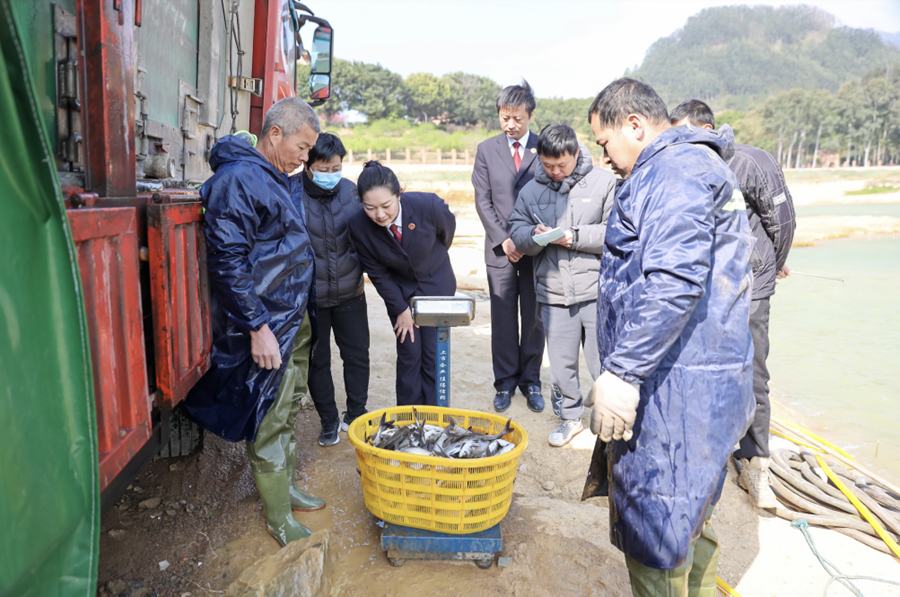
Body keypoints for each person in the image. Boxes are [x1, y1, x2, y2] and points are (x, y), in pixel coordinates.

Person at [586, 78, 755, 595]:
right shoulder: (690, 166)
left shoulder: (674, 171)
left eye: (605, 143)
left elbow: (674, 281)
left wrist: (623, 373)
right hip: (694, 379)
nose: (605, 158)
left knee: (659, 533)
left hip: (677, 389)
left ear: (634, 124)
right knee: (688, 521)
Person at [184, 97, 326, 547]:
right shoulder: (239, 178)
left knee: (287, 405)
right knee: (268, 410)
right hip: (268, 321)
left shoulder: (271, 176)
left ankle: (284, 487)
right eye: (302, 147)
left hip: (291, 316)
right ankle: (277, 515)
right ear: (276, 134)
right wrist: (257, 326)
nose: (306, 158)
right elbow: (227, 259)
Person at [670, 100, 796, 510]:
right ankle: (715, 449)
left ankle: (755, 463)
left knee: (754, 373)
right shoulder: (686, 166)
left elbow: (783, 222)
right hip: (707, 289)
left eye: (689, 132)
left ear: (708, 127)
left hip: (750, 287)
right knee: (709, 369)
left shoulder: (752, 162)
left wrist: (768, 268)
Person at [509, 124, 615, 447]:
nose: (555, 172)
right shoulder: (529, 191)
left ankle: (610, 418)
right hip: (553, 291)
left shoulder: (604, 182)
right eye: (548, 165)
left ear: (577, 154)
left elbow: (615, 232)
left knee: (605, 362)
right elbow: (517, 231)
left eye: (562, 165)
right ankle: (570, 418)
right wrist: (535, 238)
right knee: (560, 364)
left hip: (596, 290)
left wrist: (576, 237)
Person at [349, 161, 456, 406]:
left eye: (386, 205)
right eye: (370, 207)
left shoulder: (429, 205)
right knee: (409, 352)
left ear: (399, 194)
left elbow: (446, 233)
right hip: (399, 291)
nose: (379, 214)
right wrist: (401, 309)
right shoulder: (358, 226)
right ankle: (408, 419)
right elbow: (377, 273)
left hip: (436, 286)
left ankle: (434, 417)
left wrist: (429, 264)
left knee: (433, 353)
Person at [472, 80, 545, 413]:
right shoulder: (487, 150)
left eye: (517, 117)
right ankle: (504, 383)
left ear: (530, 114)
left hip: (535, 249)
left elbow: (550, 197)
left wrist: (526, 239)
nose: (511, 125)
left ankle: (531, 381)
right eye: (505, 118)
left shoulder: (544, 149)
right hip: (500, 249)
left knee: (534, 317)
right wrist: (504, 239)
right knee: (502, 318)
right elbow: (483, 201)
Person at [300, 132, 370, 448]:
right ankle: (328, 420)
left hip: (350, 291)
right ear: (308, 165)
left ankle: (355, 414)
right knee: (318, 359)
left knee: (357, 355)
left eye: (336, 168)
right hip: (311, 299)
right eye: (324, 169)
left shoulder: (352, 192)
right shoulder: (291, 193)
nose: (331, 175)